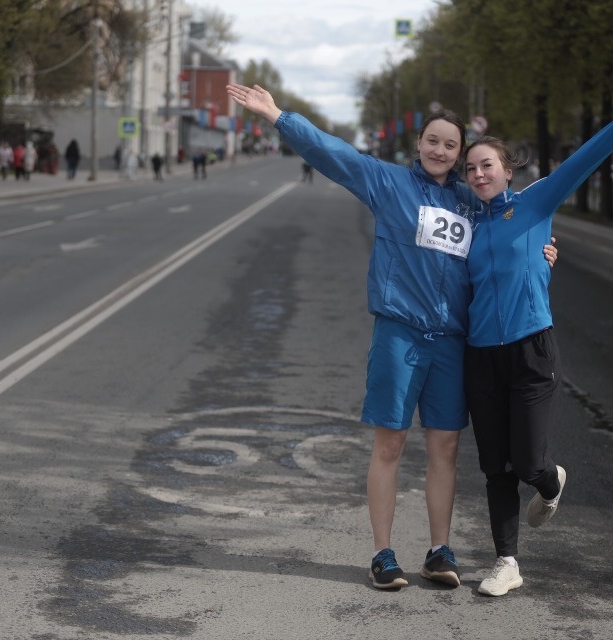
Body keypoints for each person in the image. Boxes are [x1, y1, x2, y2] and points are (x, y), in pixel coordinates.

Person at [227, 82, 558, 590]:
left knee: (445, 447)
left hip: (451, 341)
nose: (441, 151)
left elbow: (510, 233)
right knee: (390, 445)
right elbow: (332, 153)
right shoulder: (387, 183)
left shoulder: (471, 204)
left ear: (459, 153)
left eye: (451, 145)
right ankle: (382, 554)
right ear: (418, 143)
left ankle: (439, 551)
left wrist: (543, 253)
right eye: (433, 141)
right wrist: (278, 116)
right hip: (400, 334)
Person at [461, 77, 613, 597]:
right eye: (471, 168)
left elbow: (583, 161)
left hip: (531, 349)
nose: (478, 174)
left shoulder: (533, 203)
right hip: (480, 357)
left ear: (507, 169)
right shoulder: (466, 223)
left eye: (487, 165)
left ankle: (550, 482)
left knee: (527, 462)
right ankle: (506, 562)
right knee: (496, 467)